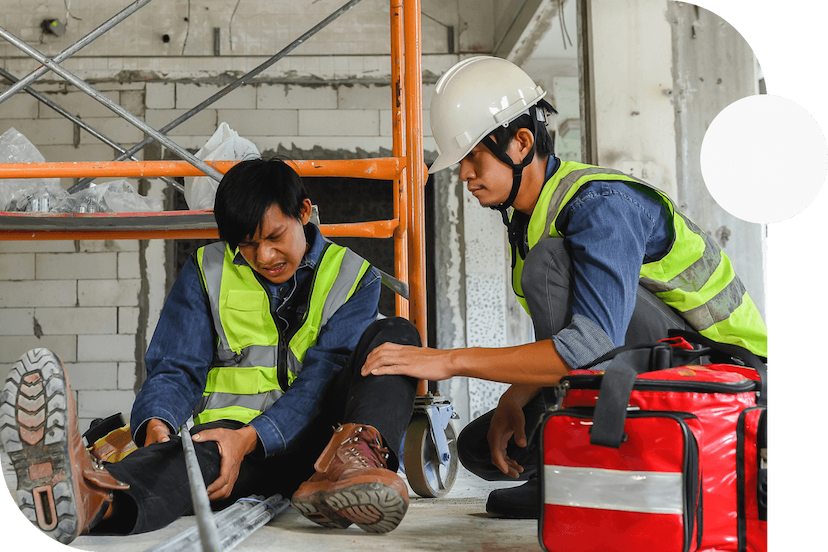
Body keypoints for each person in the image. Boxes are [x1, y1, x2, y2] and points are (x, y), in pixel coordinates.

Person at [362, 56, 770, 519]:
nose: (464, 175)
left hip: (727, 384)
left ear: (520, 143)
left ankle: (574, 470)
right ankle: (611, 465)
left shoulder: (601, 205)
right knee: (482, 447)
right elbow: (574, 337)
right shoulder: (530, 218)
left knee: (548, 266)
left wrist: (450, 361)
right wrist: (514, 395)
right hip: (668, 366)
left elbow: (590, 344)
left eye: (474, 156)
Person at [2, 157, 420, 545]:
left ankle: (356, 466)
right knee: (192, 459)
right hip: (231, 440)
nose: (264, 257)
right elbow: (176, 367)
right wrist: (157, 424)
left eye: (275, 237)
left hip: (321, 445)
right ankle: (91, 499)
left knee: (396, 333)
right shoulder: (207, 269)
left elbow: (323, 376)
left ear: (304, 213)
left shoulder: (353, 276)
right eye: (247, 244)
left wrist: (252, 438)